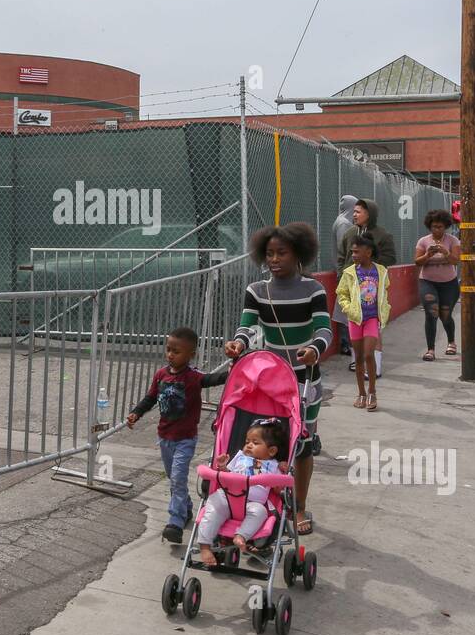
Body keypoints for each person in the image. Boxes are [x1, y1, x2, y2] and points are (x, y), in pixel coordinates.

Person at [225, 222, 331, 535]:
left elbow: (324, 330)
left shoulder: (313, 290)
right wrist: (238, 344)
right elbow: (246, 327)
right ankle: (267, 504)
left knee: (303, 446)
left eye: (281, 253)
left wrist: (314, 349)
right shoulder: (257, 291)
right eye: (269, 253)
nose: (274, 259)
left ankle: (298, 507)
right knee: (270, 445)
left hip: (306, 381)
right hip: (271, 383)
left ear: (298, 254)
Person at [127, 327, 229, 544]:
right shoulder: (161, 375)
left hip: (185, 440)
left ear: (191, 355)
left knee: (178, 479)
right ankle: (187, 508)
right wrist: (136, 413)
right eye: (169, 350)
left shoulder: (193, 377)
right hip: (165, 438)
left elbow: (213, 379)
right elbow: (150, 398)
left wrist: (234, 372)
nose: (171, 355)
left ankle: (175, 521)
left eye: (177, 351)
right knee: (174, 480)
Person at [195, 419, 289, 567]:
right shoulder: (240, 457)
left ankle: (241, 536)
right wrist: (222, 466)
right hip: (227, 497)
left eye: (255, 443)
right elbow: (227, 475)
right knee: (212, 509)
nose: (249, 445)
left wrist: (283, 475)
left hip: (252, 503)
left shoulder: (274, 465)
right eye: (247, 441)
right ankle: (205, 546)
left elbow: (277, 490)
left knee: (260, 512)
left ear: (271, 451)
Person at [338, 198, 396, 386]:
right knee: (353, 322)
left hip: (371, 286)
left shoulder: (382, 235)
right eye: (353, 211)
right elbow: (341, 257)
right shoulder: (349, 233)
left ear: (369, 214)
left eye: (359, 211)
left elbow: (391, 257)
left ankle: (376, 366)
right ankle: (357, 361)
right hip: (352, 285)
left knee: (373, 327)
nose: (354, 215)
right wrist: (343, 274)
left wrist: (371, 266)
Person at [335, 234, 390, 411]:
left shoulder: (381, 271)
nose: (353, 256)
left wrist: (385, 308)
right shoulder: (350, 273)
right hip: (355, 319)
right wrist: (348, 308)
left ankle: (372, 391)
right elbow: (341, 293)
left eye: (357, 252)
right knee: (358, 358)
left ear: (368, 252)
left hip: (372, 319)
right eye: (352, 252)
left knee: (368, 354)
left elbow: (385, 292)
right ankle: (361, 393)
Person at [414, 209, 461, 360]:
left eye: (440, 227)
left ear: (446, 226)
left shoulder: (453, 240)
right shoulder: (423, 241)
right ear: (429, 226)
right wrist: (428, 255)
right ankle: (430, 350)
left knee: (445, 314)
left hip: (449, 283)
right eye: (434, 226)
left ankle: (451, 342)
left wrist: (445, 252)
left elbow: (455, 261)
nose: (437, 230)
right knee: (432, 312)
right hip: (428, 281)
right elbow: (417, 262)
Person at [330, 194, 358, 357]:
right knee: (346, 308)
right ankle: (346, 343)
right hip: (346, 271)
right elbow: (345, 249)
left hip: (346, 270)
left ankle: (347, 342)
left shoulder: (343, 222)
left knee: (346, 307)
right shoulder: (344, 224)